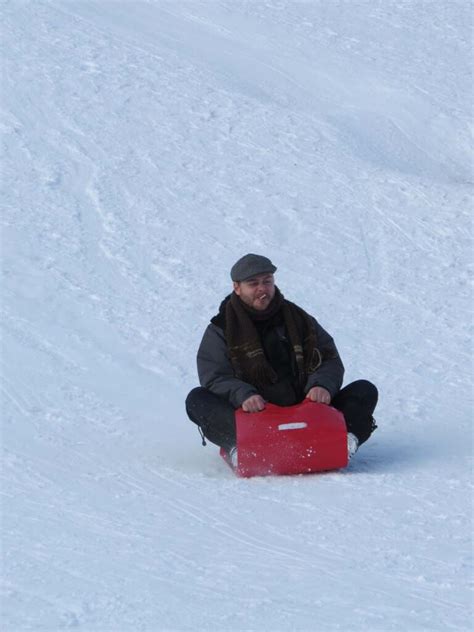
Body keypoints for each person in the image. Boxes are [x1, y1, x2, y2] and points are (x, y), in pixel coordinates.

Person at [186, 254, 378, 464]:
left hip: (308, 410)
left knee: (364, 389)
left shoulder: (298, 318)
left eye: (267, 281)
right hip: (254, 417)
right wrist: (243, 395)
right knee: (197, 399)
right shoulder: (221, 328)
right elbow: (214, 376)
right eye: (253, 284)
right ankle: (242, 448)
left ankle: (343, 442)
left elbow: (328, 357)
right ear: (237, 287)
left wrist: (321, 385)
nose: (262, 289)